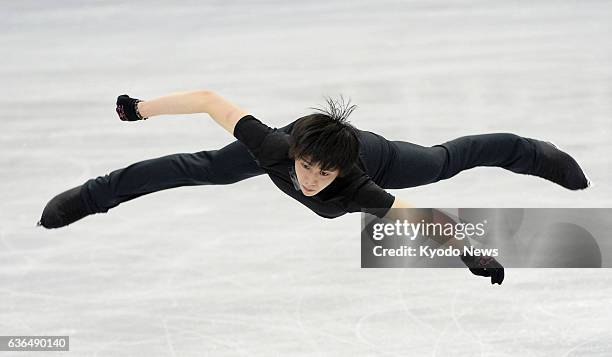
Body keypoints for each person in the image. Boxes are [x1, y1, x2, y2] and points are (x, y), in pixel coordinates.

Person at [38, 90, 591, 285]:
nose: (307, 183)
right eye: (304, 169)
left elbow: (422, 217)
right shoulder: (275, 148)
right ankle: (91, 196)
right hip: (299, 135)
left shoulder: (361, 188)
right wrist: (140, 109)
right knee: (198, 166)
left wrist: (474, 257)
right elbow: (209, 100)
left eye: (321, 177)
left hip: (375, 151)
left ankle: (529, 151)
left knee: (446, 161)